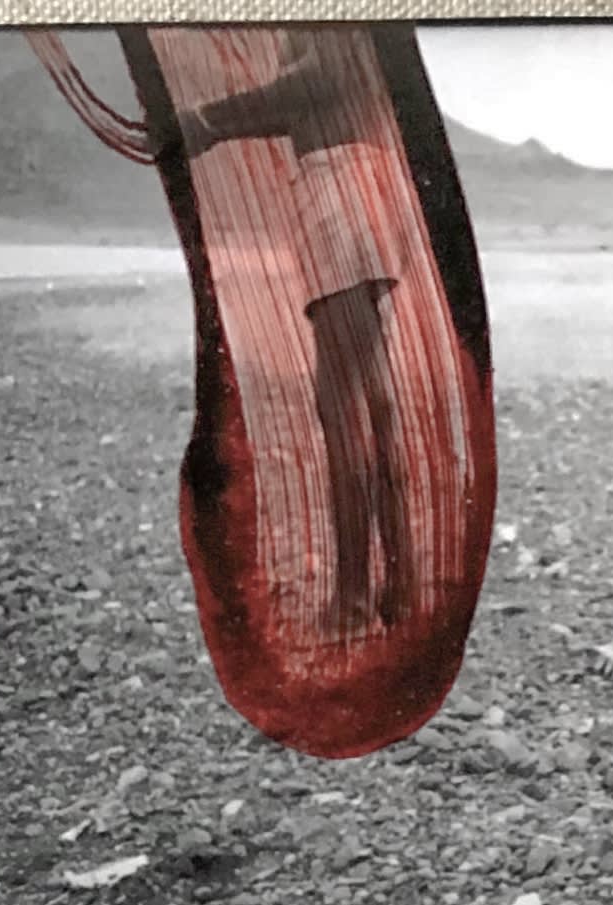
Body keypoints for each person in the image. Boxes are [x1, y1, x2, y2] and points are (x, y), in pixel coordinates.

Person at [178, 29, 416, 637]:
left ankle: (357, 605)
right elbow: (318, 95)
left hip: (339, 188)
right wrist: (214, 125)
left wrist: (209, 118)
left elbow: (320, 79)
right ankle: (399, 590)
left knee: (341, 401)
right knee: (369, 391)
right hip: (369, 187)